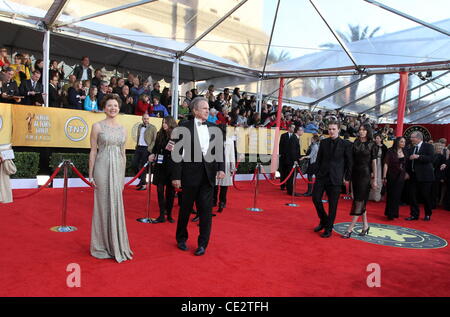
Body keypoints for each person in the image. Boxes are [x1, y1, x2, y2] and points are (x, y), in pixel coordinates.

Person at [171, 97, 225, 256]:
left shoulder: (214, 127)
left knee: (206, 212)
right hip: (189, 175)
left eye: (208, 108)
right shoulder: (184, 126)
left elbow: (218, 150)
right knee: (185, 210)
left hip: (208, 176)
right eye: (204, 108)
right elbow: (176, 153)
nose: (208, 111)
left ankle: (203, 244)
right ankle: (181, 238)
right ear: (194, 110)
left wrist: (221, 168)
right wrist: (176, 176)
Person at [88, 94, 133, 263]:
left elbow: (123, 154)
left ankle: (116, 243)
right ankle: (100, 244)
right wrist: (90, 174)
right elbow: (93, 151)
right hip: (101, 167)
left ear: (119, 108)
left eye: (115, 105)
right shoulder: (97, 126)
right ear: (104, 108)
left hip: (117, 169)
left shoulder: (123, 129)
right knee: (102, 204)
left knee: (116, 203)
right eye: (109, 105)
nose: (113, 108)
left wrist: (122, 176)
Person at [312, 121, 352, 238]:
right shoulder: (323, 142)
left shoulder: (346, 144)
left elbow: (349, 163)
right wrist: (317, 172)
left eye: (333, 129)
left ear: (338, 130)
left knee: (333, 205)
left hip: (336, 179)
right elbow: (319, 159)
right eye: (329, 129)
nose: (331, 131)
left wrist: (347, 178)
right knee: (315, 198)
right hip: (322, 176)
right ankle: (324, 220)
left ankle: (328, 228)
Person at [342, 124, 378, 238]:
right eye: (360, 130)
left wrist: (375, 179)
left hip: (365, 175)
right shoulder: (355, 143)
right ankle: (365, 226)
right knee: (360, 201)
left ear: (368, 131)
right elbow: (350, 160)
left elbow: (374, 163)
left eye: (364, 130)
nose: (361, 132)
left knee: (358, 201)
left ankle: (350, 229)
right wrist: (347, 175)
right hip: (355, 174)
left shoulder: (372, 145)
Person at [149, 116, 178, 223]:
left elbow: (176, 151)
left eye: (165, 122)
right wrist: (152, 154)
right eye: (163, 122)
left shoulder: (176, 135)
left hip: (171, 166)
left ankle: (169, 214)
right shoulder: (159, 134)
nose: (164, 124)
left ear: (170, 123)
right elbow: (155, 148)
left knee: (170, 192)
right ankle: (161, 214)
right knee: (160, 190)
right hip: (160, 165)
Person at [405, 131, 435, 221]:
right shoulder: (411, 148)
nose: (411, 139)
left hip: (425, 177)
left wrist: (418, 156)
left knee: (425, 196)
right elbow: (408, 162)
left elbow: (431, 158)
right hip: (413, 176)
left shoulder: (428, 146)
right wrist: (407, 172)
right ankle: (414, 214)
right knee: (412, 196)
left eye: (412, 137)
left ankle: (428, 214)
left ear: (419, 138)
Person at [383, 137, 407, 220]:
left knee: (397, 195)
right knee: (391, 195)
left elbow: (406, 165)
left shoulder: (405, 151)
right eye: (401, 141)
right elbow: (386, 164)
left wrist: (406, 173)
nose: (403, 143)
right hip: (391, 175)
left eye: (404, 142)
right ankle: (390, 213)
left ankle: (395, 213)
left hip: (401, 177)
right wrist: (384, 176)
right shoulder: (390, 151)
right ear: (397, 142)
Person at [214, 124, 236, 213]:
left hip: (215, 164)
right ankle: (222, 202)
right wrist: (232, 168)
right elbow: (232, 156)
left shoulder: (214, 140)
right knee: (224, 186)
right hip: (226, 165)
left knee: (215, 185)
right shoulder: (230, 141)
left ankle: (213, 201)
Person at [133, 113, 157, 191]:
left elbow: (154, 140)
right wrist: (137, 145)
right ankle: (142, 180)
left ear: (149, 119)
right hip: (139, 147)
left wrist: (149, 149)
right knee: (134, 164)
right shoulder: (140, 126)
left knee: (143, 166)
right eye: (144, 118)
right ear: (142, 119)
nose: (146, 120)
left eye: (147, 119)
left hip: (146, 148)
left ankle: (143, 184)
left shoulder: (153, 127)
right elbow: (139, 136)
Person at [369, 134, 388, 202]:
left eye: (378, 138)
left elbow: (386, 159)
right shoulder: (372, 146)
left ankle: (377, 196)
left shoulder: (384, 147)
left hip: (381, 165)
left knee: (379, 179)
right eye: (375, 138)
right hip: (373, 163)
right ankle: (370, 196)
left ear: (381, 139)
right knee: (372, 179)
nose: (376, 139)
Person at [285, 126, 303, 197]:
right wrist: (295, 160)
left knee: (292, 176)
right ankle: (290, 191)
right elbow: (293, 151)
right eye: (302, 130)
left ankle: (290, 190)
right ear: (298, 131)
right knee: (291, 176)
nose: (303, 132)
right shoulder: (294, 138)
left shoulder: (295, 138)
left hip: (292, 160)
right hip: (292, 161)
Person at [278, 124, 295, 191]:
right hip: (284, 157)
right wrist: (280, 155)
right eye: (292, 127)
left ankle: (288, 186)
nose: (293, 129)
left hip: (291, 159)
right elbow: (280, 146)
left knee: (289, 173)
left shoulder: (294, 136)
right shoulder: (283, 135)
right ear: (289, 128)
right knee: (283, 172)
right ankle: (282, 185)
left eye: (294, 128)